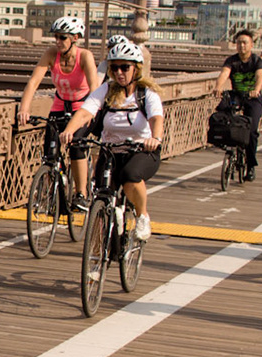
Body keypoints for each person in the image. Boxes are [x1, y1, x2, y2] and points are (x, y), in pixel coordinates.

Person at [61, 36, 163, 241]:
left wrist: (156, 138)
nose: (119, 73)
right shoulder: (106, 90)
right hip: (110, 151)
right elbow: (85, 112)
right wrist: (69, 130)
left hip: (141, 150)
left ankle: (142, 216)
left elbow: (156, 118)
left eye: (125, 67)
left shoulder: (146, 94)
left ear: (136, 69)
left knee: (130, 176)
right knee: (101, 195)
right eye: (114, 68)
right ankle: (102, 254)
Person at [18, 14, 100, 203]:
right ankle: (51, 190)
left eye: (63, 37)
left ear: (75, 38)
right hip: (59, 104)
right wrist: (24, 108)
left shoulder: (84, 56)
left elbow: (94, 88)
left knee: (76, 146)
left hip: (82, 108)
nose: (58, 41)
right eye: (56, 37)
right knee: (50, 152)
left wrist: (91, 112)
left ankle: (81, 194)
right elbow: (33, 82)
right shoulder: (51, 54)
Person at [212, 28, 262, 182]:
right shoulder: (232, 61)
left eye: (245, 43)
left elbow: (259, 76)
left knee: (252, 131)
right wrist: (218, 86)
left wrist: (256, 90)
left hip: (252, 98)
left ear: (251, 45)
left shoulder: (257, 61)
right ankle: (228, 147)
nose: (242, 46)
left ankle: (251, 166)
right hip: (236, 95)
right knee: (222, 114)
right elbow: (224, 73)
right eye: (239, 43)